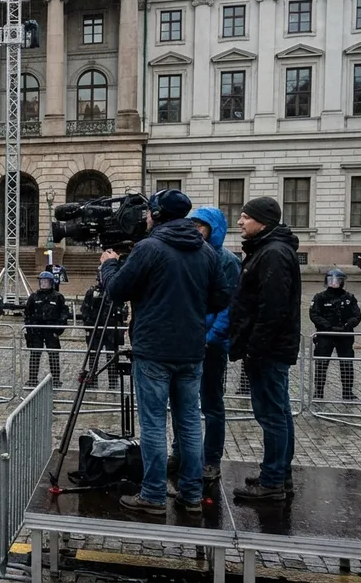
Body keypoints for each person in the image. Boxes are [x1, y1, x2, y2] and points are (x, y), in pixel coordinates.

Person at [99, 189, 230, 515]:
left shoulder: (149, 247)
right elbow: (220, 298)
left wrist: (109, 265)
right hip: (191, 350)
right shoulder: (205, 251)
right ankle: (192, 495)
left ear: (156, 215)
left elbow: (117, 290)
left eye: (148, 212)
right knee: (189, 423)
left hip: (154, 350)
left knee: (154, 424)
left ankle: (154, 495)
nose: (145, 217)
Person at [227, 196, 302, 502]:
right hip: (270, 348)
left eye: (246, 217)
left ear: (263, 222)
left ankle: (272, 481)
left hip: (269, 351)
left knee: (272, 415)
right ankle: (279, 474)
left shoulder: (273, 253)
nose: (240, 221)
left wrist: (254, 350)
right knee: (278, 412)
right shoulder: (268, 249)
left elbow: (272, 309)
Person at [169, 207, 242, 483]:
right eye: (194, 224)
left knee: (211, 405)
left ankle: (211, 459)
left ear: (214, 229)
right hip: (187, 340)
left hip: (211, 344)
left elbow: (229, 305)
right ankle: (180, 453)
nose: (196, 230)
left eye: (202, 225)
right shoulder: (190, 254)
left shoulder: (227, 260)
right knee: (180, 403)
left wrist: (212, 338)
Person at [310, 268, 360, 400]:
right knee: (321, 364)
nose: (334, 283)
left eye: (338, 280)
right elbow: (314, 314)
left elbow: (356, 315)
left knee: (346, 363)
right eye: (331, 280)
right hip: (325, 334)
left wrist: (347, 325)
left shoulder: (349, 298)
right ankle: (319, 391)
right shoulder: (320, 297)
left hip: (344, 335)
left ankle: (347, 392)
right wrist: (328, 326)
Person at [24, 271, 71, 387]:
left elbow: (64, 314)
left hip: (51, 330)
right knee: (35, 355)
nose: (43, 284)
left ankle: (55, 380)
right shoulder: (34, 297)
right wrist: (30, 329)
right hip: (37, 330)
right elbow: (27, 313)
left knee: (53, 355)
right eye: (42, 281)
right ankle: (32, 379)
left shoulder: (58, 297)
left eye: (46, 281)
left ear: (51, 283)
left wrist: (58, 329)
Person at [79, 280, 126, 389]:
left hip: (110, 330)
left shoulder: (115, 291)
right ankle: (92, 380)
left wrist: (118, 318)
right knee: (93, 356)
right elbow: (85, 310)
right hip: (95, 330)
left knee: (112, 357)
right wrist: (89, 325)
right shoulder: (91, 292)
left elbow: (122, 311)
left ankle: (113, 381)